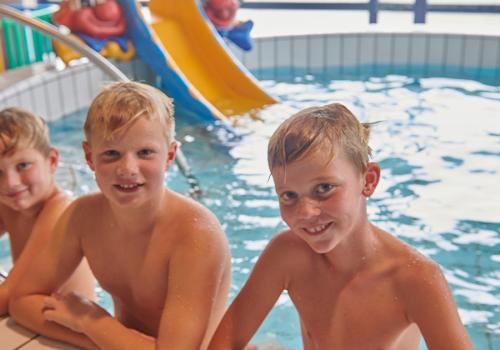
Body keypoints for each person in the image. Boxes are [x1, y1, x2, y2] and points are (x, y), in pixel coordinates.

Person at [208, 103, 473, 350]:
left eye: (324, 189)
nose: (306, 212)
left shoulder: (414, 278)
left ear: (368, 181)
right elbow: (225, 343)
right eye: (289, 195)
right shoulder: (287, 254)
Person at [9, 82, 231, 350]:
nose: (127, 168)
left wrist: (92, 321)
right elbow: (22, 301)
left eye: (145, 153)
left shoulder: (196, 233)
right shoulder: (82, 216)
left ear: (170, 155)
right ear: (90, 157)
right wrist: (96, 337)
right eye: (111, 154)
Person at [0, 107, 96, 316]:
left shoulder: (61, 213)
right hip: (35, 321)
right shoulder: (9, 204)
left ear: (52, 160)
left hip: (73, 332)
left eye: (23, 165)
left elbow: (8, 297)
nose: (10, 183)